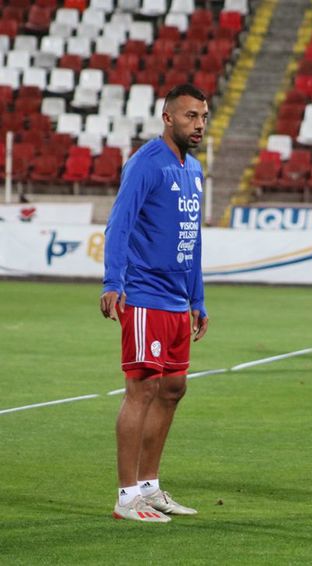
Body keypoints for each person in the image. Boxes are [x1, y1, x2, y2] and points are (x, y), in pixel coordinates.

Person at [100, 84, 210, 523]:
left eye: (203, 117)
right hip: (144, 294)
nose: (199, 125)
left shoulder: (194, 169)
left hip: (177, 300)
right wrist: (113, 281)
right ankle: (127, 497)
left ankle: (149, 486)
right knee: (142, 389)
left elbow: (193, 238)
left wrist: (197, 296)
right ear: (168, 118)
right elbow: (119, 224)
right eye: (190, 117)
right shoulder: (146, 164)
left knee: (173, 388)